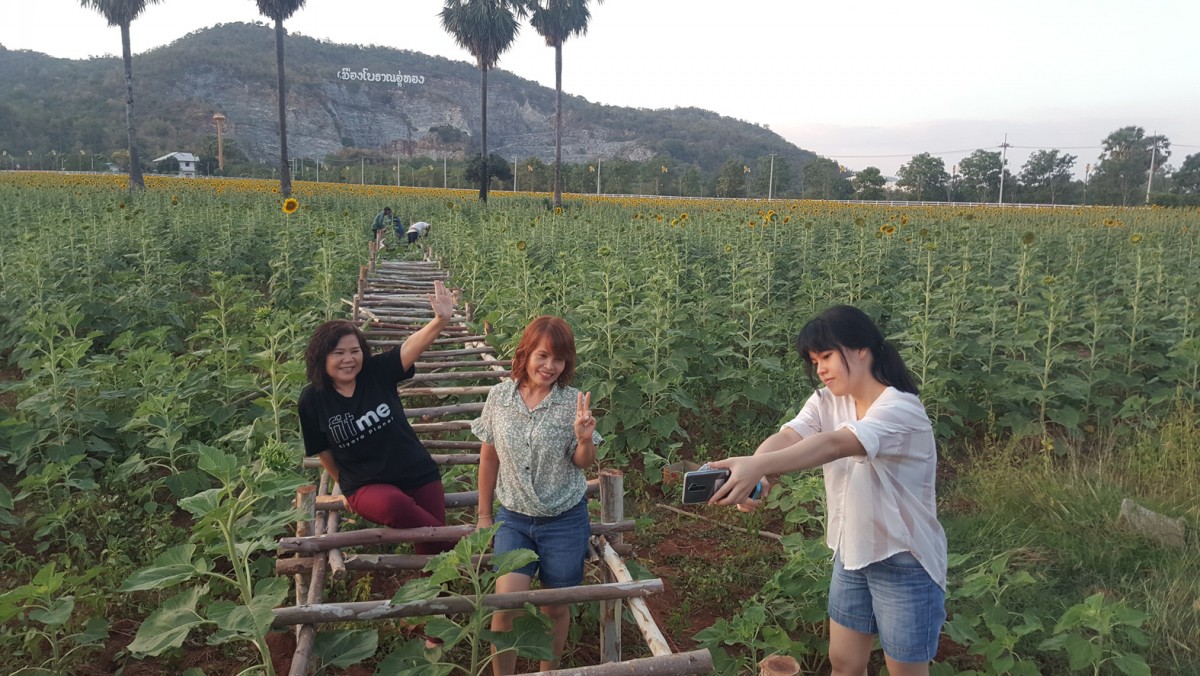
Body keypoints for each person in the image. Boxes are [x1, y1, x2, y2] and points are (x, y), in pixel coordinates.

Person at [708, 305, 947, 676]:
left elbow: (836, 444)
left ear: (861, 349)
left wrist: (758, 467)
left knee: (905, 672)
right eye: (814, 359)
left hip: (904, 559)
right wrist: (757, 470)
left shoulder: (900, 408)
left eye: (827, 356)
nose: (820, 368)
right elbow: (791, 435)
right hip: (852, 551)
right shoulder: (827, 400)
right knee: (844, 663)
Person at [471, 315, 601, 674]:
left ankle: (548, 672)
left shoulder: (572, 401)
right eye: (542, 356)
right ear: (526, 353)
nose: (549, 366)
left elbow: (582, 462)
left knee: (556, 606)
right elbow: (488, 457)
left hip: (563, 517)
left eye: (558, 359)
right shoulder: (499, 398)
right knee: (506, 605)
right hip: (513, 517)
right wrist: (484, 514)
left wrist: (585, 438)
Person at [298, 280, 458, 555]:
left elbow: (409, 348)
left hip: (417, 471)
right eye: (338, 353)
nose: (348, 359)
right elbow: (322, 450)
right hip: (365, 485)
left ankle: (436, 591)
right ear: (320, 358)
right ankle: (469, 547)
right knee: (395, 506)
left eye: (354, 351)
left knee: (431, 551)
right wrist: (345, 485)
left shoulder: (376, 373)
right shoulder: (312, 399)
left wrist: (440, 321)